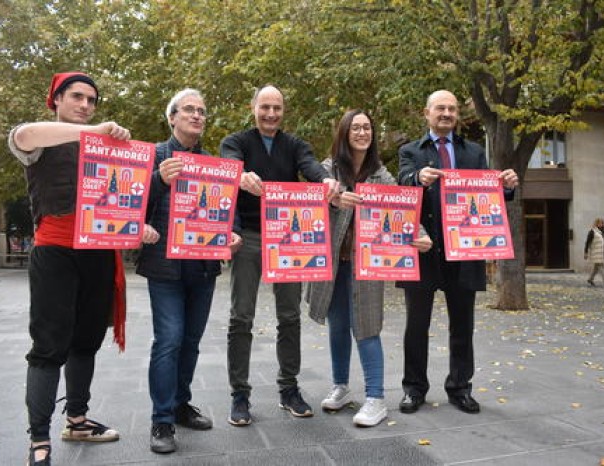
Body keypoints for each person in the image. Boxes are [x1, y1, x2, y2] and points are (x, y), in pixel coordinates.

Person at [8, 71, 153, 466]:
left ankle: (77, 419)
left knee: (86, 340)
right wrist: (96, 133)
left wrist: (138, 225)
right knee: (49, 345)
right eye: (77, 97)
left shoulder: (104, 147)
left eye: (91, 100)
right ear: (55, 100)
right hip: (55, 251)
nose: (85, 105)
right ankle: (39, 436)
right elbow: (24, 136)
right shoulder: (40, 138)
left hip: (98, 250)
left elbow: (120, 197)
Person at [220, 84, 339, 426]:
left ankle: (289, 388)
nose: (271, 114)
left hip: (287, 238)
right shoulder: (236, 142)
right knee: (241, 316)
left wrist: (326, 181)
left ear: (283, 111)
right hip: (249, 239)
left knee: (289, 315)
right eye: (265, 107)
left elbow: (312, 166)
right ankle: (239, 394)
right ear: (253, 107)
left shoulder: (295, 144)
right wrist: (240, 176)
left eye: (277, 108)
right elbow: (229, 165)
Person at [306, 110, 432, 427]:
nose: (363, 133)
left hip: (368, 263)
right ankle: (341, 388)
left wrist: (420, 235)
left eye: (367, 128)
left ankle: (375, 398)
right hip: (334, 263)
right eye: (356, 128)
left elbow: (403, 206)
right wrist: (331, 198)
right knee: (337, 327)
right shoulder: (328, 168)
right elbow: (308, 202)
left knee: (366, 327)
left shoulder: (379, 172)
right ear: (345, 133)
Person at [397, 90, 519, 415]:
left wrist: (506, 186)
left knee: (463, 325)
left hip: (464, 254)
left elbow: (488, 194)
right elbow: (400, 184)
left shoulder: (474, 152)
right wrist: (417, 179)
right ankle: (414, 389)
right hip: (423, 252)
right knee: (416, 325)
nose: (447, 113)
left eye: (452, 109)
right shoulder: (410, 151)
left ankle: (460, 388)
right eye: (441, 108)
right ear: (427, 113)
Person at [136, 88, 242, 454]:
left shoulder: (215, 165)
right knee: (169, 339)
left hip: (203, 267)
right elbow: (128, 208)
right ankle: (161, 420)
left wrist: (235, 234)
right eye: (189, 110)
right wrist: (156, 180)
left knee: (192, 342)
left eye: (201, 111)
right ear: (172, 117)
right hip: (164, 268)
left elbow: (231, 212)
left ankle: (181, 405)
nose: (197, 115)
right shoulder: (153, 157)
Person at [584, 218, 604, 287]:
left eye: (602, 223)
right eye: (599, 223)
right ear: (596, 223)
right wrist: (585, 252)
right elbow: (587, 242)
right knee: (601, 266)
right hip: (596, 252)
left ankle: (590, 279)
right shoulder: (592, 231)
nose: (601, 224)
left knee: (596, 267)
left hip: (603, 252)